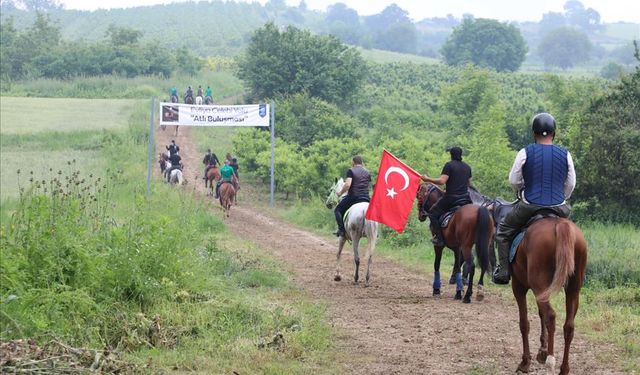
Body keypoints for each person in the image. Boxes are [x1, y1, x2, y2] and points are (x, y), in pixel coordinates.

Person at [492, 112, 576, 284]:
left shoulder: (525, 152)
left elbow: (514, 180)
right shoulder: (565, 154)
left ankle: (503, 272)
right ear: (554, 132)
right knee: (571, 233)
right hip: (559, 206)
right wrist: (562, 198)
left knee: (503, 232)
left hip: (530, 205)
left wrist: (521, 189)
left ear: (534, 133)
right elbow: (571, 183)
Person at [419, 146, 472, 247]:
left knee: (432, 213)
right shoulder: (467, 167)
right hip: (465, 199)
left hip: (451, 199)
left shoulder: (449, 165)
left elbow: (442, 181)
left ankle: (439, 238)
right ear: (461, 155)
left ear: (451, 155)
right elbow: (469, 184)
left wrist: (427, 179)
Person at [334, 155, 371, 237]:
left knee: (338, 210)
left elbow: (347, 185)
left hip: (354, 197)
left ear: (353, 162)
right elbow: (368, 185)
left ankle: (341, 230)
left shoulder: (351, 170)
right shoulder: (368, 172)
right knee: (375, 212)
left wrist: (340, 193)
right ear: (362, 162)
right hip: (366, 197)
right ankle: (375, 232)